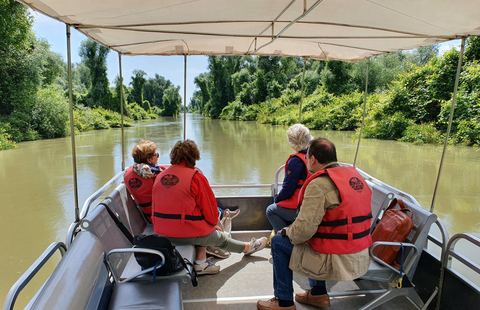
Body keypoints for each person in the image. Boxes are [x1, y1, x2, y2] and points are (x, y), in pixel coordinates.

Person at [257, 138, 372, 310]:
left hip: (337, 258)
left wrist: (287, 231)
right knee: (318, 237)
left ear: (312, 159)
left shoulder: (319, 185)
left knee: (279, 242)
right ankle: (318, 295)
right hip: (360, 254)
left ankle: (284, 302)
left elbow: (303, 231)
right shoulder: (355, 177)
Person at [152, 139, 268, 275]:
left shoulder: (160, 176)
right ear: (194, 156)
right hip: (185, 232)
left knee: (200, 227)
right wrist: (213, 225)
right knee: (220, 238)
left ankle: (201, 262)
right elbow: (210, 208)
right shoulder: (195, 177)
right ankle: (249, 247)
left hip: (161, 232)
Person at [266, 124, 313, 233]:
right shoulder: (314, 157)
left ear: (292, 144)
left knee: (271, 210)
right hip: (312, 204)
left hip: (300, 207)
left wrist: (276, 200)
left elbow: (288, 189)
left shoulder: (296, 161)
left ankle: (285, 240)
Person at [124, 140, 164, 223]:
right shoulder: (157, 175)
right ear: (149, 160)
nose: (158, 157)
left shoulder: (129, 173)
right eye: (156, 155)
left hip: (147, 215)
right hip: (162, 217)